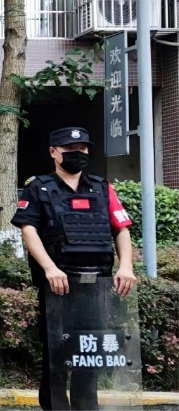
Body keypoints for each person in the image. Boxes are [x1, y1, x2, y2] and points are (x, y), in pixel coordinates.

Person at [11, 126, 135, 410]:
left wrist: (126, 266)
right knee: (56, 353)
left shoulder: (102, 187)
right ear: (54, 153)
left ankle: (86, 407)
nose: (77, 154)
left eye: (82, 149)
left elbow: (121, 228)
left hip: (97, 286)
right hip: (58, 286)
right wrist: (49, 268)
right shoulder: (39, 187)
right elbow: (28, 229)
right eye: (69, 150)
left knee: (89, 353)